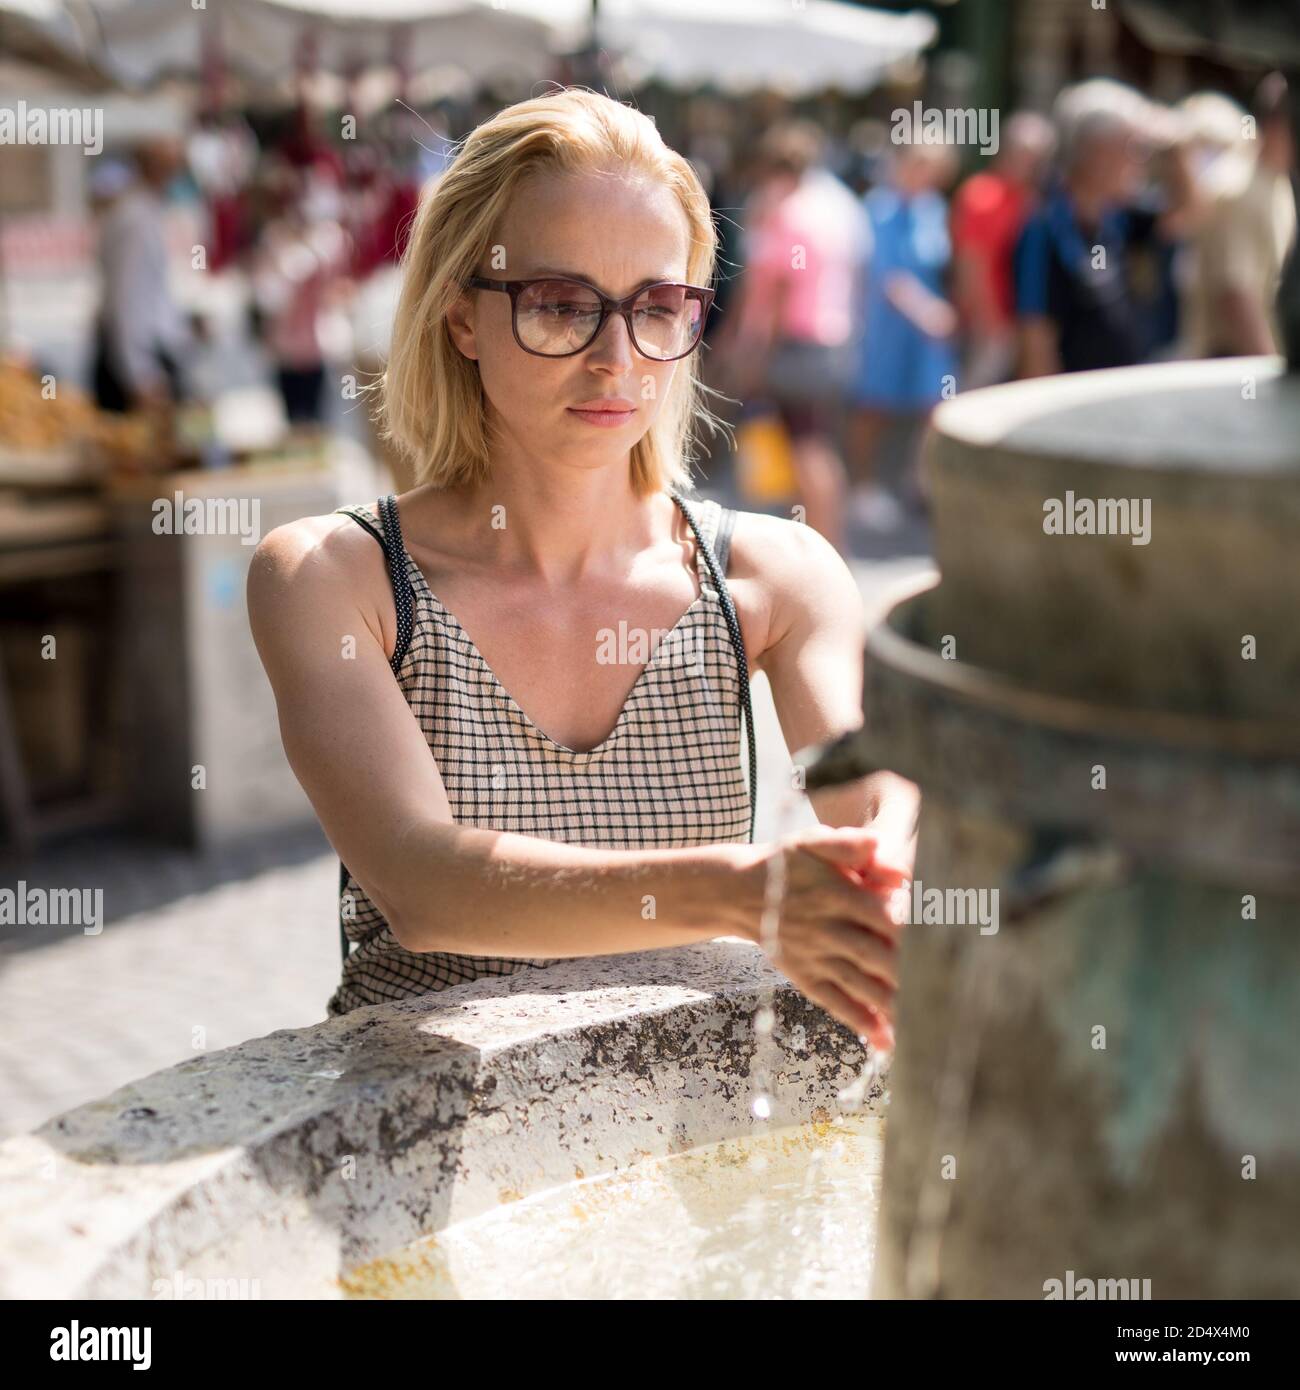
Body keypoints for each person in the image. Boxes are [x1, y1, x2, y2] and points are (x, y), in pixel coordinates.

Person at [248, 88, 918, 1049]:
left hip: (687, 1135)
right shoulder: (332, 576)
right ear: (461, 317)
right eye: (560, 306)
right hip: (419, 1144)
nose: (618, 358)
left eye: (657, 307)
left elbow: (869, 785)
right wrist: (741, 892)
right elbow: (422, 884)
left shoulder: (778, 574)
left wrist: (883, 852)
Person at [716, 120, 870, 555]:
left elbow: (778, 292)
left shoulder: (787, 216)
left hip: (795, 346)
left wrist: (754, 356)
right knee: (812, 443)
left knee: (806, 449)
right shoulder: (825, 210)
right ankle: (818, 543)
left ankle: (824, 547)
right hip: (827, 344)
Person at [1014, 83, 1201, 377]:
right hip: (1074, 411)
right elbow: (1035, 342)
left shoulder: (1117, 217)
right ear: (1094, 151)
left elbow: (1189, 212)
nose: (1141, 160)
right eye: (1132, 147)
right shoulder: (1045, 228)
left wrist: (1174, 144)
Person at [846, 141, 959, 528]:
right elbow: (887, 274)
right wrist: (925, 310)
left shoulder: (935, 209)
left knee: (937, 403)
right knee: (875, 406)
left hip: (927, 331)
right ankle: (862, 486)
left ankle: (920, 481)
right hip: (888, 325)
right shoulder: (878, 210)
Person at [1186, 73, 1296, 358]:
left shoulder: (1276, 182)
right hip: (1232, 374)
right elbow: (1235, 296)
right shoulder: (1238, 190)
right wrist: (1271, 371)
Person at [91, 137, 198, 414]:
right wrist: (141, 375)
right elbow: (128, 300)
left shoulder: (143, 212)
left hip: (141, 356)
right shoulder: (135, 220)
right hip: (136, 365)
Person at [950, 112, 1055, 389]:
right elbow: (970, 264)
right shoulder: (981, 194)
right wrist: (990, 323)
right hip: (988, 328)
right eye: (1025, 154)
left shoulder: (1032, 199)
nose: (1031, 164)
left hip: (1020, 324)